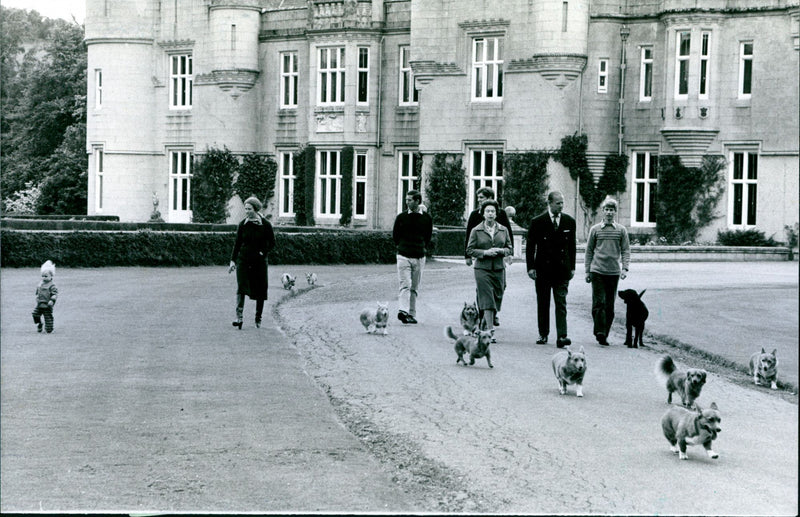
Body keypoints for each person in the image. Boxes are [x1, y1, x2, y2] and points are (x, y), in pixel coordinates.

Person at [526, 191, 576, 347]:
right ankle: (543, 334)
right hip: (543, 269)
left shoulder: (569, 221)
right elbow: (530, 247)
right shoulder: (538, 222)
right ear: (550, 203)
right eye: (558, 203)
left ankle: (562, 336)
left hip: (562, 270)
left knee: (561, 303)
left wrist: (572, 267)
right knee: (543, 302)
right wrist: (531, 267)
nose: (561, 206)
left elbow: (572, 247)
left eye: (562, 203)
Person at [584, 196, 631, 346]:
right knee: (599, 303)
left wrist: (624, 268)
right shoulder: (595, 230)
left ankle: (604, 333)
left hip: (613, 272)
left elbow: (626, 250)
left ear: (615, 212)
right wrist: (587, 271)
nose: (609, 213)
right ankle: (600, 331)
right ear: (602, 211)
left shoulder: (621, 230)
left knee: (609, 306)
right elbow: (589, 251)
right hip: (597, 271)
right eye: (607, 210)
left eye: (612, 210)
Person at [464, 187, 514, 326]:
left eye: (482, 197)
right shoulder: (475, 216)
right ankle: (485, 318)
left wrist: (507, 253)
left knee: (500, 289)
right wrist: (469, 255)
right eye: (478, 197)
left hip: (498, 264)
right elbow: (469, 235)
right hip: (482, 264)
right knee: (484, 291)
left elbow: (507, 235)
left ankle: (490, 313)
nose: (479, 200)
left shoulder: (501, 215)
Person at [229, 196, 276, 329]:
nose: (246, 211)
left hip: (259, 262)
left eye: (249, 209)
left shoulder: (265, 225)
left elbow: (272, 243)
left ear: (255, 209)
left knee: (260, 289)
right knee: (241, 286)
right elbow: (237, 244)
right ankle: (239, 317)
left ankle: (258, 317)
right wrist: (233, 261)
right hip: (243, 260)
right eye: (245, 209)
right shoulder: (242, 224)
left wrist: (263, 252)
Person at [392, 190, 433, 324]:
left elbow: (428, 236)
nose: (407, 202)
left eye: (410, 200)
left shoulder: (426, 218)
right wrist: (403, 246)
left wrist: (421, 247)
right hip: (403, 255)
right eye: (406, 199)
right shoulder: (401, 217)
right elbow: (395, 236)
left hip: (419, 256)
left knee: (414, 287)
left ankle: (411, 313)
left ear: (417, 201)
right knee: (405, 285)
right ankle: (403, 311)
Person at [32, 260, 58, 333]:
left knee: (48, 319)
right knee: (35, 314)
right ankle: (39, 324)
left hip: (47, 305)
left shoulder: (52, 285)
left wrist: (52, 301)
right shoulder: (40, 283)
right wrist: (37, 297)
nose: (43, 278)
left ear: (51, 276)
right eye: (42, 276)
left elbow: (54, 294)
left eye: (46, 276)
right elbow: (38, 291)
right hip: (39, 304)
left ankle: (49, 329)